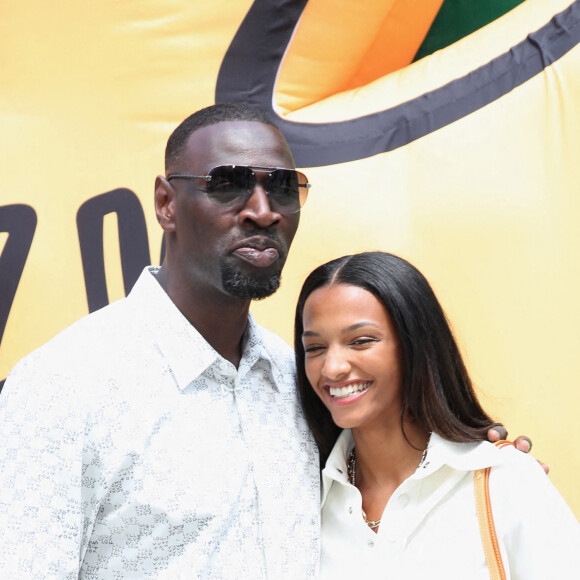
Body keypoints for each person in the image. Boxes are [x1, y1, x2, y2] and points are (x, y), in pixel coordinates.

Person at [0, 103, 533, 578]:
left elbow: (388, 478)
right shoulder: (64, 387)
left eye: (281, 187)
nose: (262, 210)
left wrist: (483, 463)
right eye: (228, 183)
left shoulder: (301, 379)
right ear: (166, 203)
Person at [294, 251, 579, 579]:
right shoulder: (305, 503)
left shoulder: (505, 481)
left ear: (415, 345)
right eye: (314, 348)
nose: (332, 367)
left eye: (360, 341)